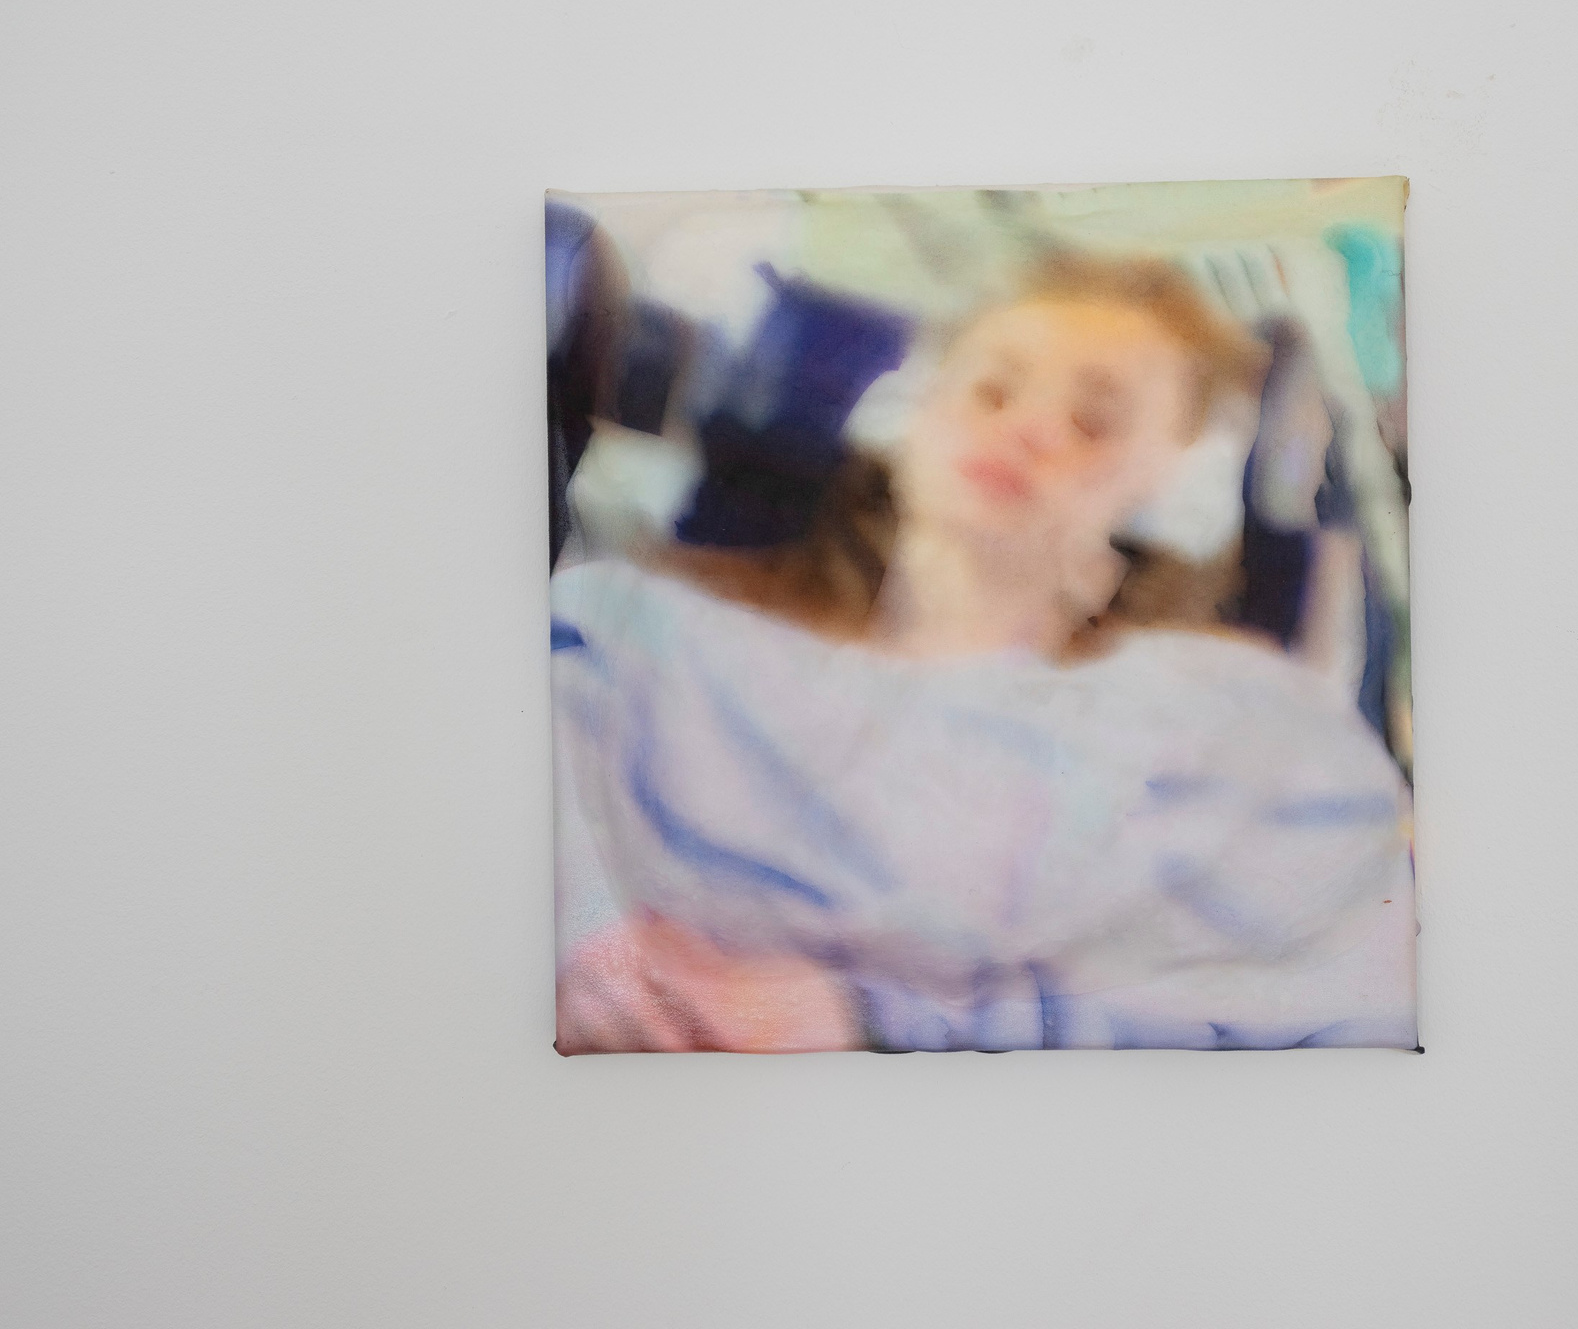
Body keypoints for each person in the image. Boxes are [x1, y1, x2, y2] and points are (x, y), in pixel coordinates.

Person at [551, 252, 1417, 1052]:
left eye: (1093, 421)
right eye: (992, 389)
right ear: (912, 414)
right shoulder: (640, 626)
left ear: (1175, 492)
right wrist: (589, 946)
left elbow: (1356, 992)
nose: (1029, 428)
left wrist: (870, 1019)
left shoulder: (1227, 719)